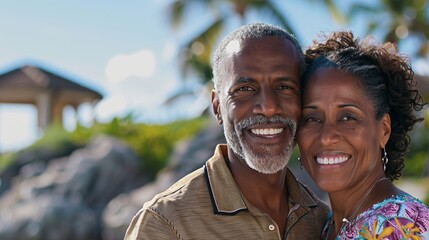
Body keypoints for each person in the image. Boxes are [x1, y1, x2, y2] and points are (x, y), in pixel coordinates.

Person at [124, 23, 330, 240]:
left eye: (284, 87)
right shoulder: (165, 222)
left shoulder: (320, 219)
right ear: (217, 108)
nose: (269, 106)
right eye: (244, 89)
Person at [297, 30, 429, 240]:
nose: (326, 137)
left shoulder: (398, 227)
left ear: (384, 130)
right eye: (312, 118)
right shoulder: (329, 225)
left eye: (348, 117)